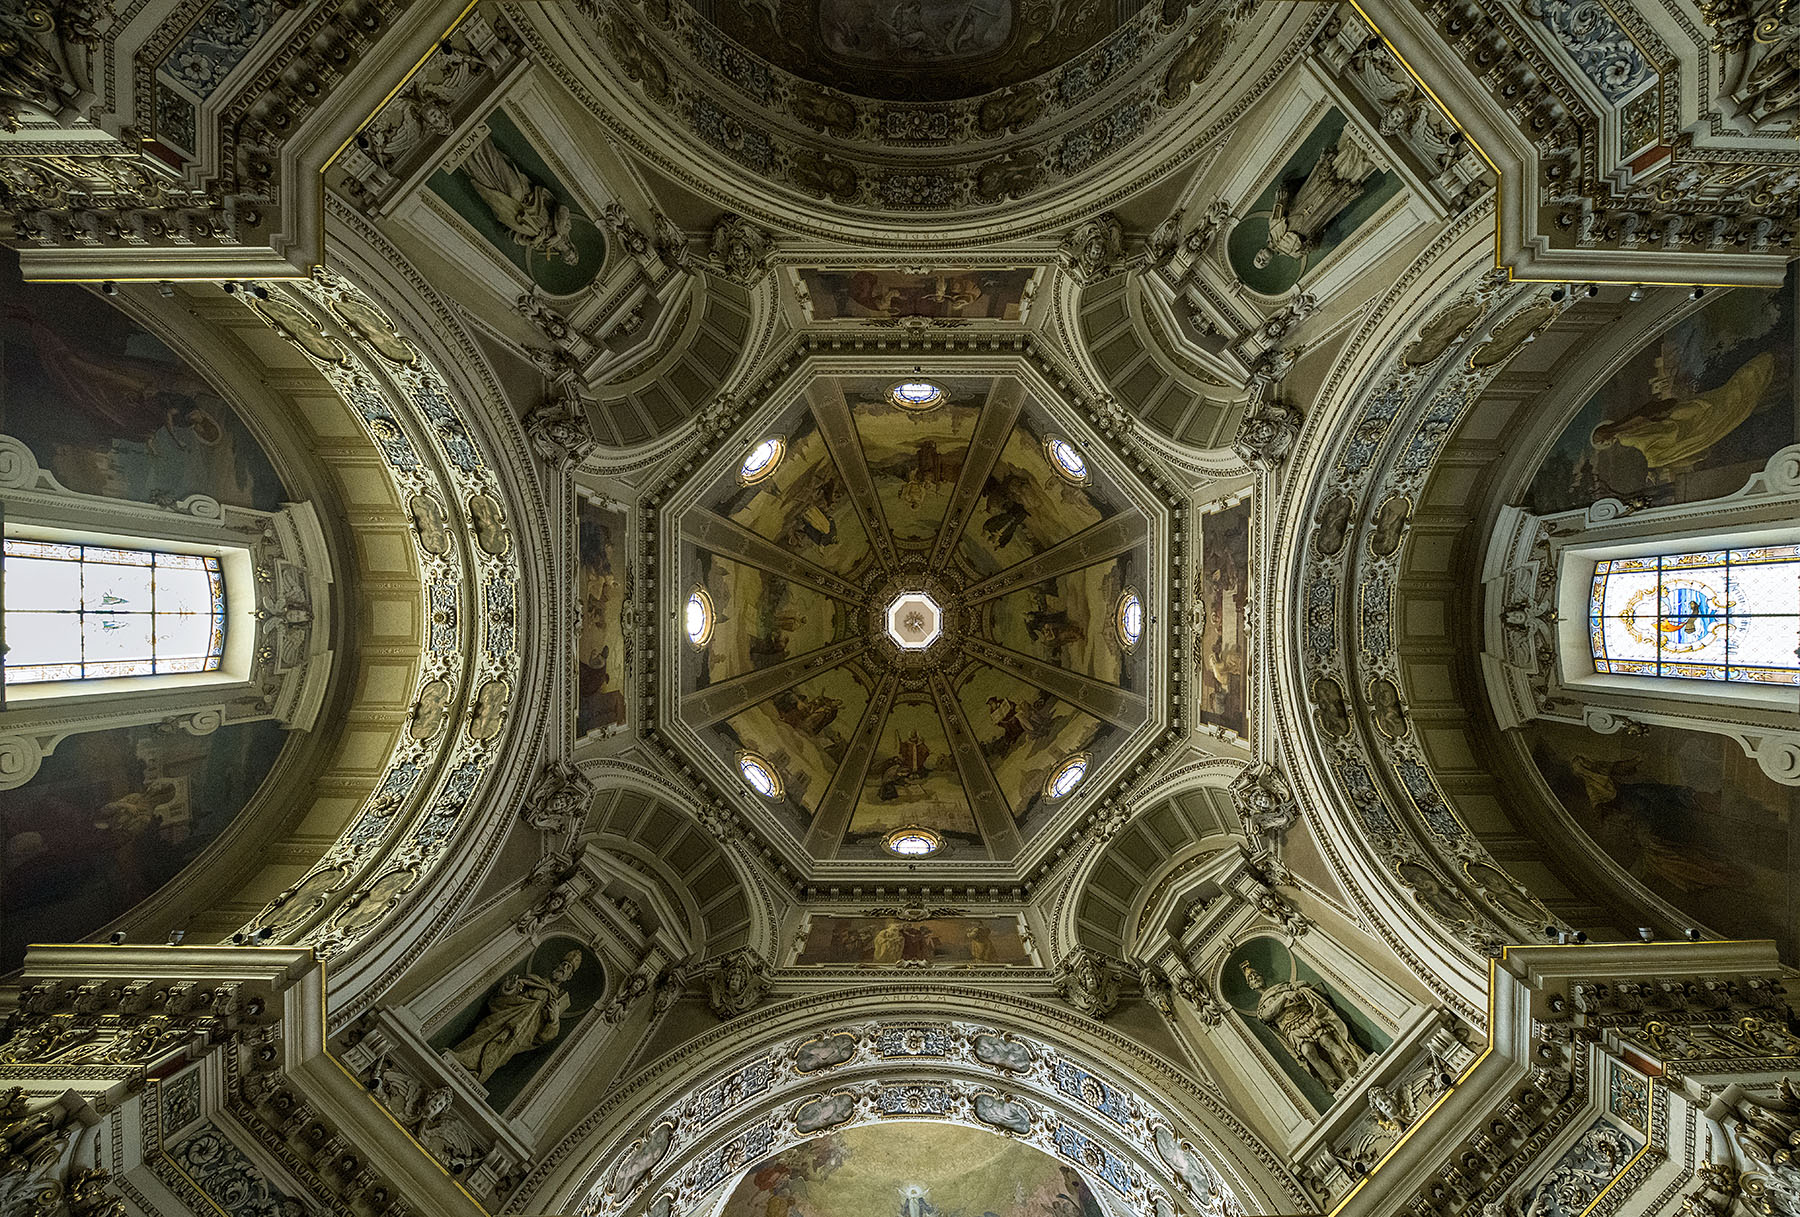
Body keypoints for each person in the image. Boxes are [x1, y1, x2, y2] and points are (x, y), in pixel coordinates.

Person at [449, 950, 582, 1082]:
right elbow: (504, 998)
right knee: (485, 1034)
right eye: (563, 964)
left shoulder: (557, 1000)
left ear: (569, 977)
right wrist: (510, 988)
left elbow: (545, 1036)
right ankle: (461, 1058)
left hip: (523, 1033)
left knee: (500, 1052)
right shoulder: (534, 980)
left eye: (568, 967)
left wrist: (553, 1020)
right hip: (507, 1016)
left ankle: (477, 1072)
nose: (564, 968)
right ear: (556, 966)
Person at [1240, 956, 1368, 1092]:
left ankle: (1350, 1066)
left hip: (1305, 1016)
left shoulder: (1282, 986)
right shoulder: (1262, 1006)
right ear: (1251, 986)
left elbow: (1302, 984)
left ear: (1262, 976)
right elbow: (1267, 1015)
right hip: (1291, 1028)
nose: (1255, 979)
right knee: (1308, 1052)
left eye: (1256, 975)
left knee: (1327, 1041)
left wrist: (1297, 989)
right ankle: (1335, 1082)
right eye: (1251, 979)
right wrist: (1284, 997)